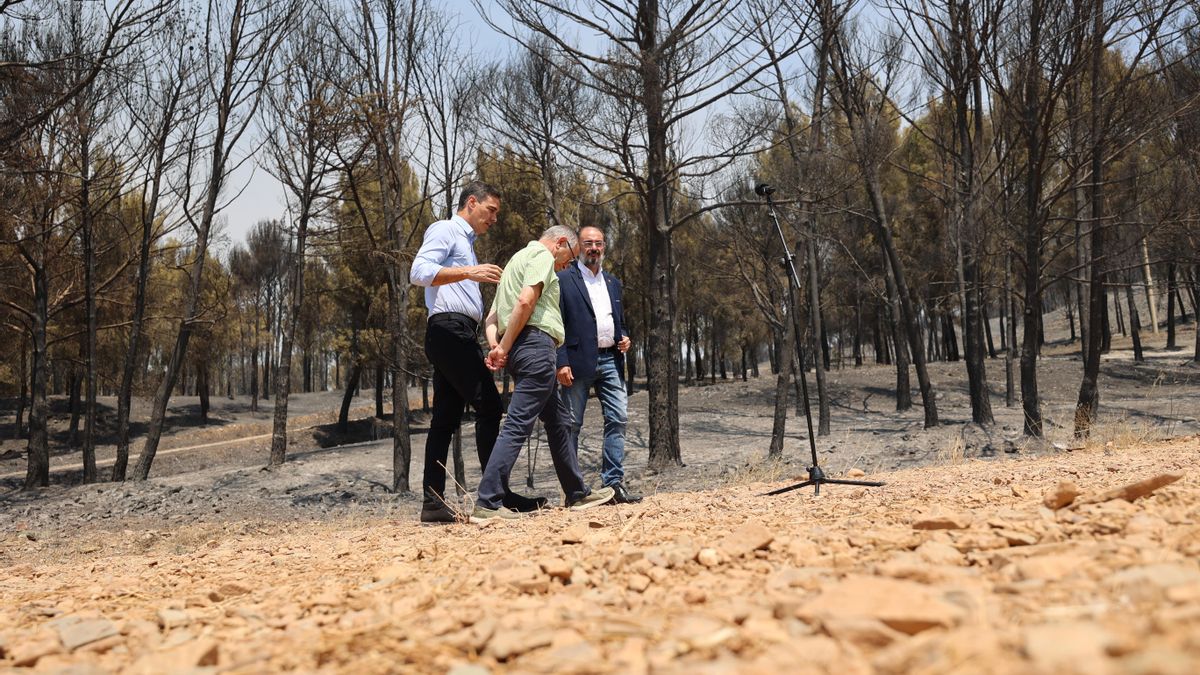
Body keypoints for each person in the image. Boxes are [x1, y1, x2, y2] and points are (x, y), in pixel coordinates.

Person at [410, 180, 546, 524]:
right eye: (491, 210)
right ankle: (494, 497)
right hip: (448, 331)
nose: (495, 219)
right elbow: (418, 272)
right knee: (488, 406)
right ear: (472, 202)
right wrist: (470, 271)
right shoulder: (445, 230)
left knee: (445, 418)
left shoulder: (466, 244)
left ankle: (433, 501)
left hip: (456, 333)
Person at [472, 225, 615, 521]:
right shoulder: (540, 256)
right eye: (568, 257)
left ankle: (576, 493)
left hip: (521, 349)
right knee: (518, 423)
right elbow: (526, 302)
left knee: (559, 420)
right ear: (561, 243)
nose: (565, 265)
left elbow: (493, 315)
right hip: (536, 346)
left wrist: (497, 346)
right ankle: (487, 502)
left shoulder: (515, 262)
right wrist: (504, 346)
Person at [556, 226, 642, 504]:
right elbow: (556, 324)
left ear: (605, 247)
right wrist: (561, 361)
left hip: (611, 361)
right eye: (588, 243)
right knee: (571, 425)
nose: (594, 248)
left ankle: (613, 485)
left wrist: (625, 337)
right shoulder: (563, 280)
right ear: (578, 247)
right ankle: (574, 491)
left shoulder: (613, 282)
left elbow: (619, 321)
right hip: (577, 362)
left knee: (618, 419)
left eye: (599, 243)